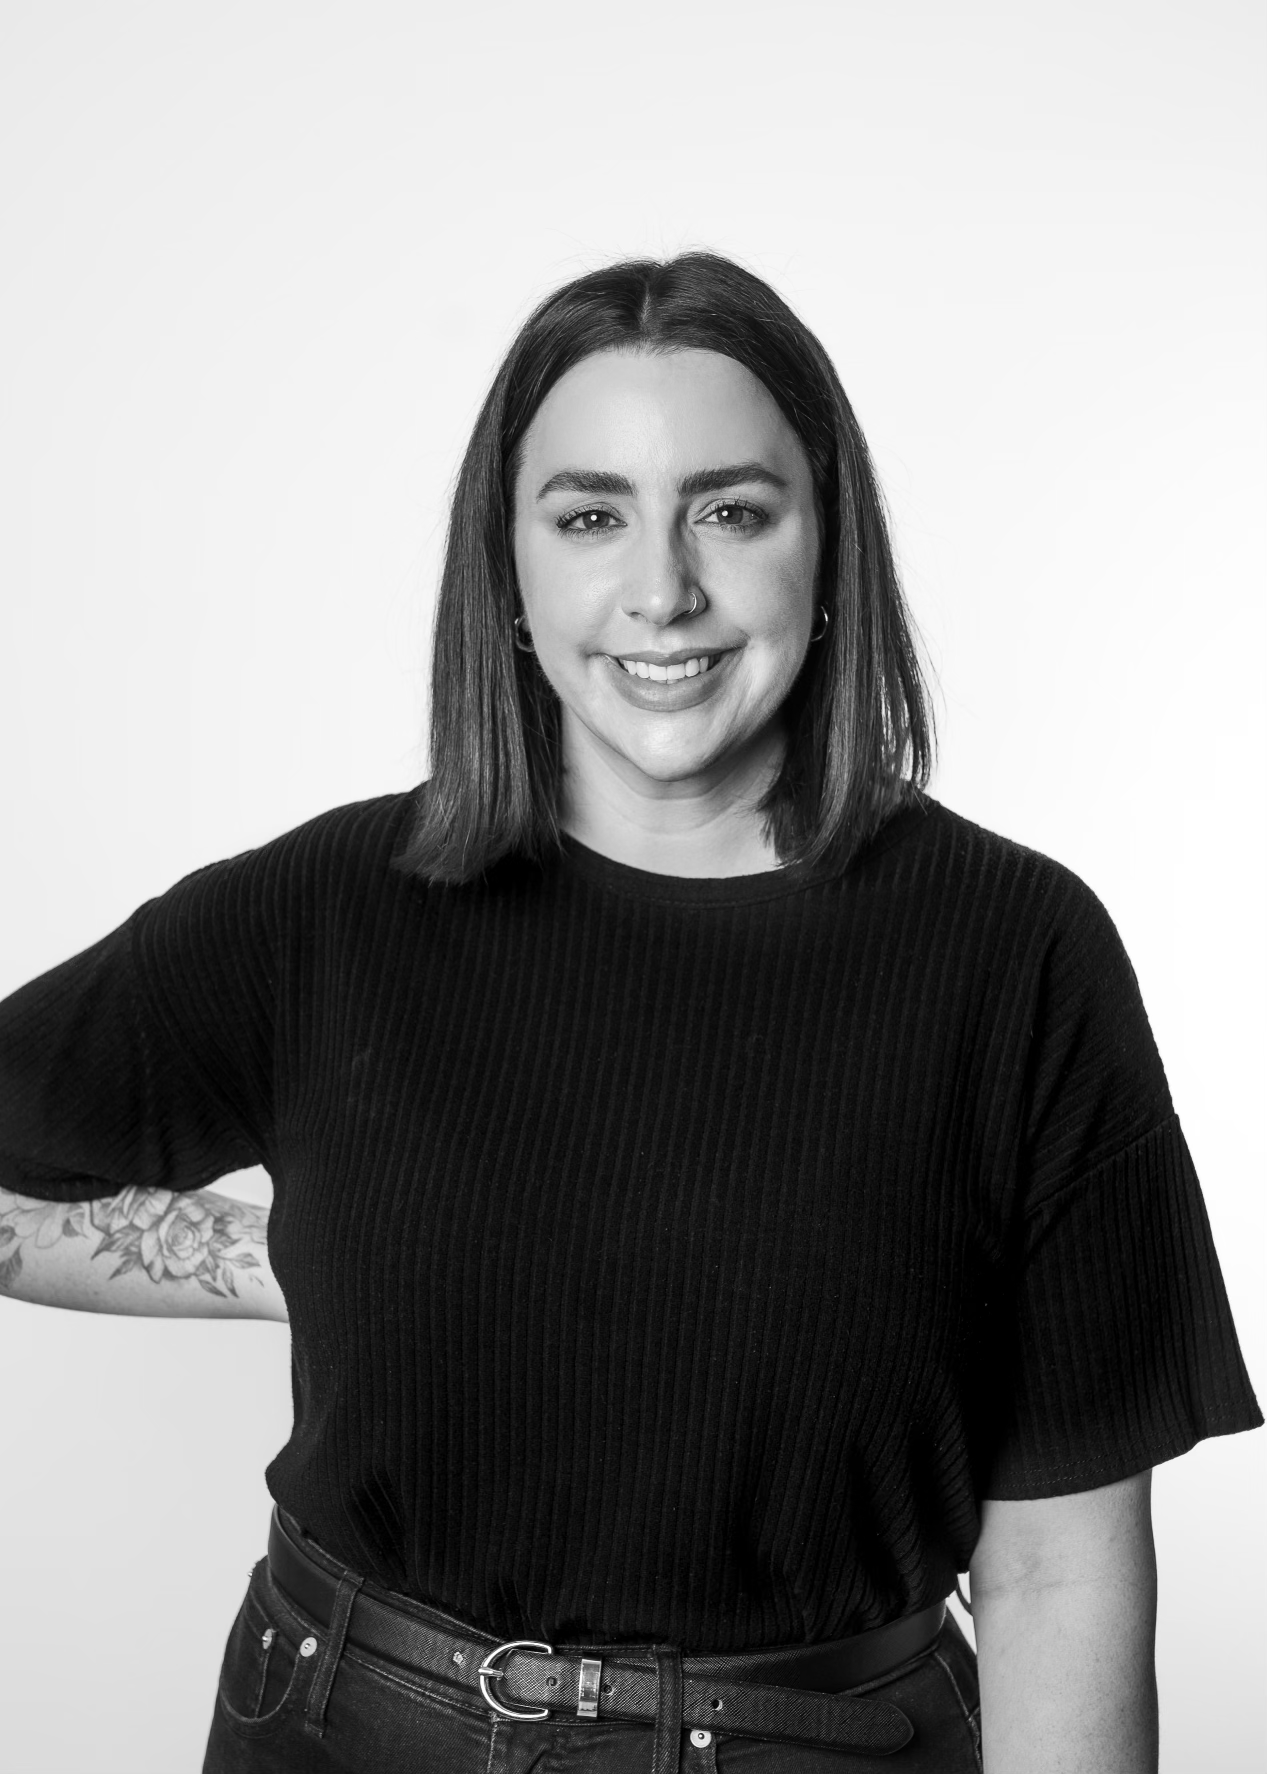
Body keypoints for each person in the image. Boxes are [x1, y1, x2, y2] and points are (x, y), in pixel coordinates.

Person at [0, 251, 1260, 1774]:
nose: (660, 587)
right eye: (590, 515)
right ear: (510, 569)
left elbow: (1057, 1566)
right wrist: (300, 1253)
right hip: (346, 1728)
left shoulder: (1014, 953)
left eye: (731, 510)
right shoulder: (329, 906)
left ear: (827, 549)